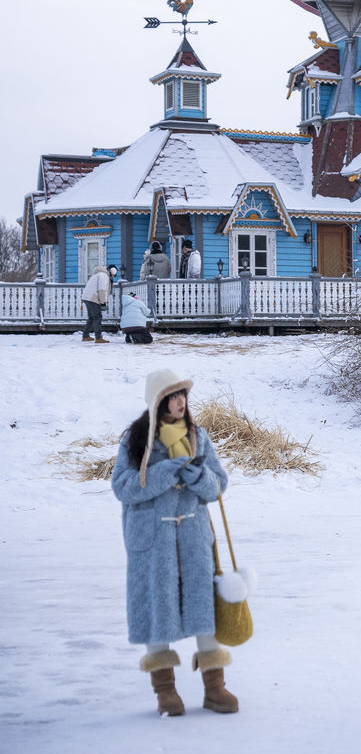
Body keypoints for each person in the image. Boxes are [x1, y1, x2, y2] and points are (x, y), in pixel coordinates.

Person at [111, 368, 238, 717]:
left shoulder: (198, 435)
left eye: (184, 395)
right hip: (152, 541)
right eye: (174, 395)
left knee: (203, 606)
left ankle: (215, 688)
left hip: (194, 537)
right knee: (157, 606)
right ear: (159, 400)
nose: (181, 402)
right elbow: (122, 487)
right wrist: (166, 472)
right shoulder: (135, 440)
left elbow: (218, 487)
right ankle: (165, 691)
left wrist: (198, 475)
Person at [81, 264, 118, 343]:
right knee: (97, 317)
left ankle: (85, 335)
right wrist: (103, 302)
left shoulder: (98, 274)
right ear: (112, 271)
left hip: (87, 297)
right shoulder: (104, 276)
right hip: (93, 298)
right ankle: (98, 338)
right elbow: (102, 289)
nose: (113, 277)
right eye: (114, 275)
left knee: (91, 317)